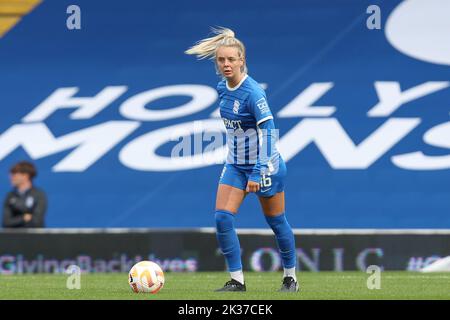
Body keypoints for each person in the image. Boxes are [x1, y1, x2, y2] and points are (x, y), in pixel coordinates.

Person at [185, 27, 298, 292]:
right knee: (222, 218)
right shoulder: (222, 88)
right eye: (221, 60)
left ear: (242, 60)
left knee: (276, 221)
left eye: (231, 59)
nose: (226, 64)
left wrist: (259, 170)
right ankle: (237, 281)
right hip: (236, 164)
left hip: (264, 165)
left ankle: (290, 277)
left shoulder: (254, 93)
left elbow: (269, 131)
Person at [2, 161, 47, 228]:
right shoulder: (10, 196)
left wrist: (16, 219)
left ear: (25, 176)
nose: (11, 177)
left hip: (34, 237)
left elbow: (37, 221)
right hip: (14, 237)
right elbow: (6, 222)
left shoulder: (38, 194)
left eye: (14, 174)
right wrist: (24, 218)